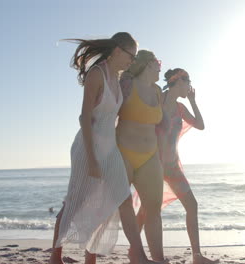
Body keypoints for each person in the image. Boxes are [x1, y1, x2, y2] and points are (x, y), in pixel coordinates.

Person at [49, 33, 158, 264]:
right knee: (75, 202)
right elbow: (84, 118)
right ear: (118, 50)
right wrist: (91, 159)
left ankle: (137, 255)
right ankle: (54, 256)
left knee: (122, 200)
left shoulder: (117, 78)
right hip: (88, 148)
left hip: (110, 150)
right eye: (131, 55)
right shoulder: (96, 74)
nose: (132, 60)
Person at [157, 68, 218, 264]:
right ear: (179, 82)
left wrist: (192, 101)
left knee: (192, 205)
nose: (190, 86)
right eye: (188, 82)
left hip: (172, 167)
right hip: (154, 166)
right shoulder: (158, 99)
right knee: (148, 211)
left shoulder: (180, 108)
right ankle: (136, 252)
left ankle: (197, 256)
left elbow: (200, 125)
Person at [117, 50, 166, 262]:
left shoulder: (157, 91)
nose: (160, 67)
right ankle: (138, 254)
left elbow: (162, 124)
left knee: (153, 209)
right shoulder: (127, 85)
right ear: (148, 64)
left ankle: (158, 258)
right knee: (124, 203)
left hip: (150, 156)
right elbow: (107, 112)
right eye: (158, 63)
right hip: (123, 152)